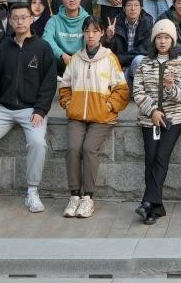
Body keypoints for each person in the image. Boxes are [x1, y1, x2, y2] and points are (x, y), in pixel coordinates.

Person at [0, 4, 57, 214]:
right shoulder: (3, 47)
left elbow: (49, 83)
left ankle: (32, 191)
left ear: (31, 19)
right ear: (10, 20)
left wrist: (40, 110)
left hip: (31, 110)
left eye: (24, 17)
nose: (19, 21)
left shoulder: (43, 48)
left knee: (37, 143)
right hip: (3, 109)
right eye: (15, 18)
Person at [57, 17, 131, 219]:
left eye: (95, 31)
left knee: (89, 149)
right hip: (77, 115)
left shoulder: (109, 58)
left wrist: (109, 106)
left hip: (101, 117)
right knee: (73, 148)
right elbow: (64, 86)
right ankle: (74, 196)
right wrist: (69, 104)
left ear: (101, 33)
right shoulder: (75, 59)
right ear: (83, 33)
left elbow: (122, 89)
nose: (90, 35)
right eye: (87, 31)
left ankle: (88, 198)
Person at [132, 18, 181, 225]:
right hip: (150, 118)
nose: (163, 41)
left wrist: (170, 86)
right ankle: (154, 208)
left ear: (173, 40)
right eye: (159, 37)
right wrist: (153, 111)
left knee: (161, 156)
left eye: (166, 37)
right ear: (154, 40)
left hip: (175, 117)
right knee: (150, 158)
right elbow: (137, 92)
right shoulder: (144, 63)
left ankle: (147, 202)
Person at [43, 0, 91, 74]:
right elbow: (46, 39)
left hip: (83, 59)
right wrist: (62, 55)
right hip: (60, 58)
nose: (72, 0)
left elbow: (92, 40)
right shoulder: (54, 20)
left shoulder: (88, 20)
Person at [105, 0, 154, 75]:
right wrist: (109, 38)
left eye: (136, 5)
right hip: (118, 65)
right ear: (124, 8)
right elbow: (108, 51)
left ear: (141, 8)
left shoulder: (148, 22)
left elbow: (145, 50)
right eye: (129, 5)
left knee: (139, 59)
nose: (133, 9)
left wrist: (122, 59)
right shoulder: (115, 23)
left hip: (133, 63)